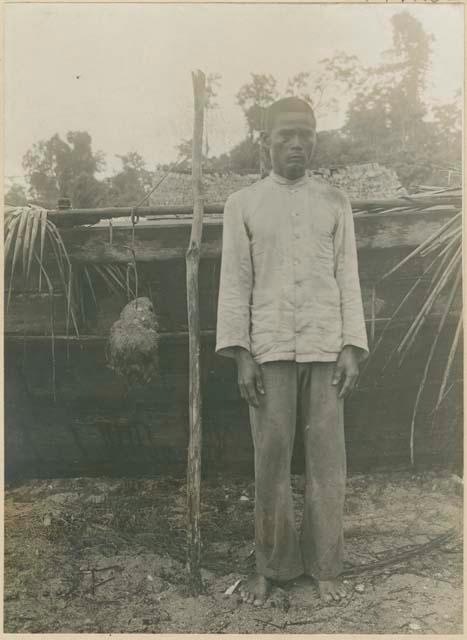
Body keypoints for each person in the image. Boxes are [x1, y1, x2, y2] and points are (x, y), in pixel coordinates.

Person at [215, 96, 369, 606]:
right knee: (271, 460)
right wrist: (241, 353)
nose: (296, 142)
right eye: (285, 135)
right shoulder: (244, 204)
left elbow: (348, 275)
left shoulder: (335, 201)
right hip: (269, 349)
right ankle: (275, 566)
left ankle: (326, 565)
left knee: (328, 461)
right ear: (266, 142)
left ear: (316, 138)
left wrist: (352, 345)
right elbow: (235, 284)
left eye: (305, 133)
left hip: (327, 346)